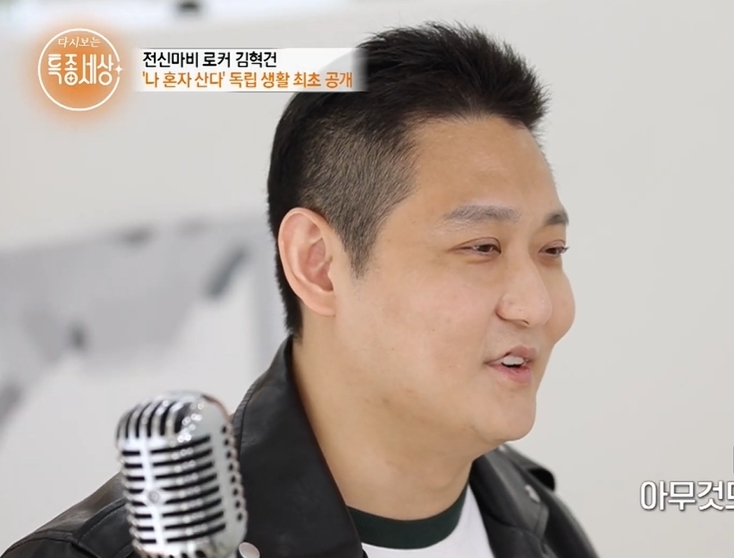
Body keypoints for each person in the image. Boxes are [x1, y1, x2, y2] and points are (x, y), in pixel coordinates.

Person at [2, 22, 598, 558]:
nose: (539, 306)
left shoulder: (541, 524)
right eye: (482, 247)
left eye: (551, 251)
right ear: (317, 265)